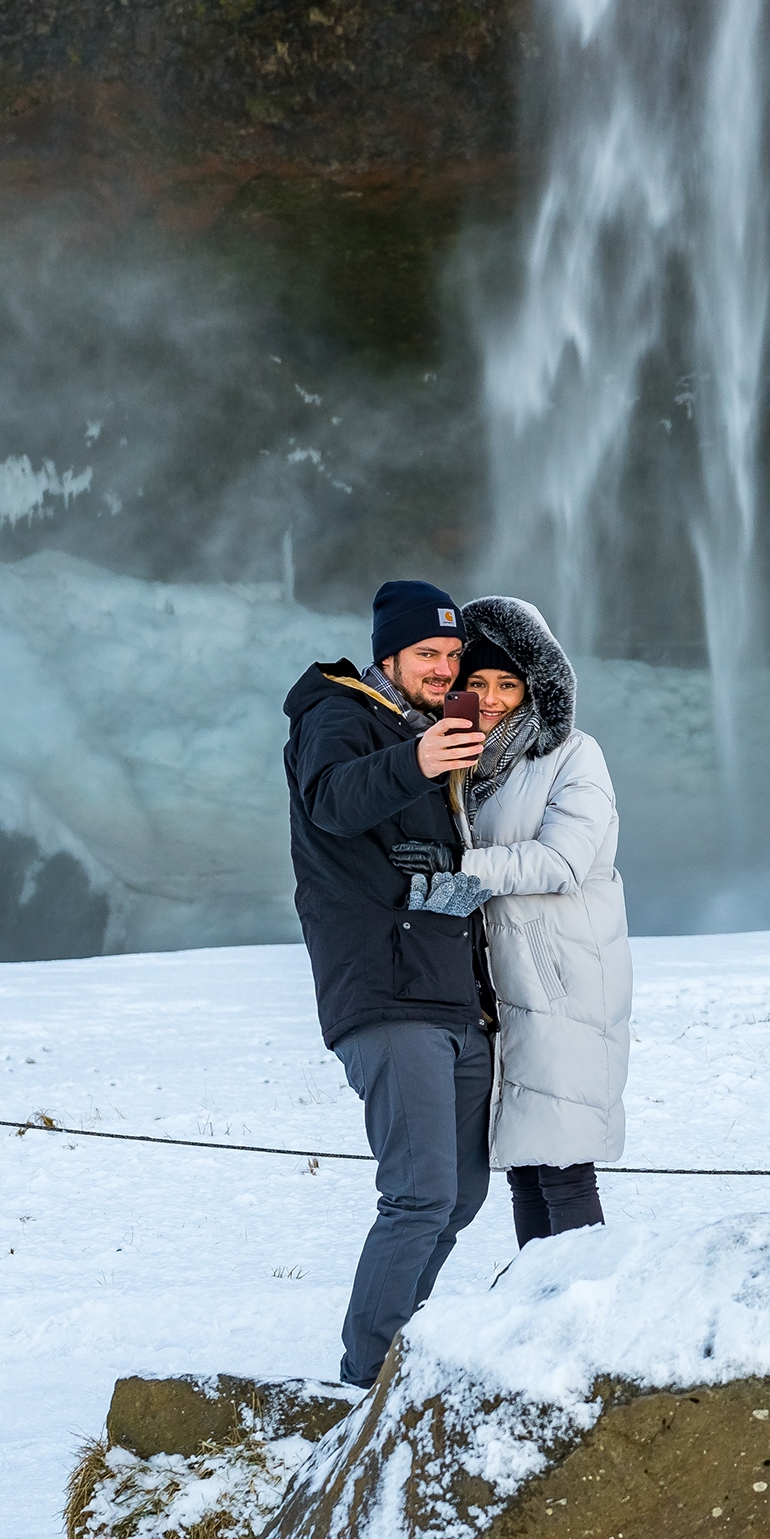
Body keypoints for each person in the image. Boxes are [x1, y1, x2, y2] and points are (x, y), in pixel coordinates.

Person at [280, 578, 498, 1388]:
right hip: (383, 990)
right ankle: (367, 1377)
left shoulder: (426, 727)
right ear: (387, 656)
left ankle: (401, 1350)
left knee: (462, 1195)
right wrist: (416, 759)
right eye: (427, 654)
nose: (443, 669)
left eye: (451, 654)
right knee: (417, 1194)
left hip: (448, 994)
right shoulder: (336, 716)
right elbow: (334, 802)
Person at [448, 596, 631, 1244]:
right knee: (524, 1168)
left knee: (564, 1167)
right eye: (477, 683)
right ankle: (540, 1309)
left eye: (507, 683)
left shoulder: (575, 755)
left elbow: (565, 860)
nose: (492, 698)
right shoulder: (467, 765)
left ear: (536, 687)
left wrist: (463, 869)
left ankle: (584, 1318)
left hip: (564, 984)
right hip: (504, 990)